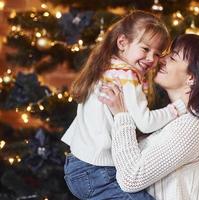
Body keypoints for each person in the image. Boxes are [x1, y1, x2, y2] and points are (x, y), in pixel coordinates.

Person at [61, 10, 186, 200]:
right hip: (97, 172)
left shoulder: (107, 67)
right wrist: (175, 109)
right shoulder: (126, 76)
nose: (152, 59)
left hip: (76, 166)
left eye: (157, 53)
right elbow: (145, 122)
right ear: (122, 43)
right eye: (145, 49)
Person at [99, 34, 199, 200]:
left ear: (192, 78)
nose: (161, 59)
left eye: (173, 57)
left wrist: (121, 116)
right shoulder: (169, 118)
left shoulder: (192, 126)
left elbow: (131, 178)